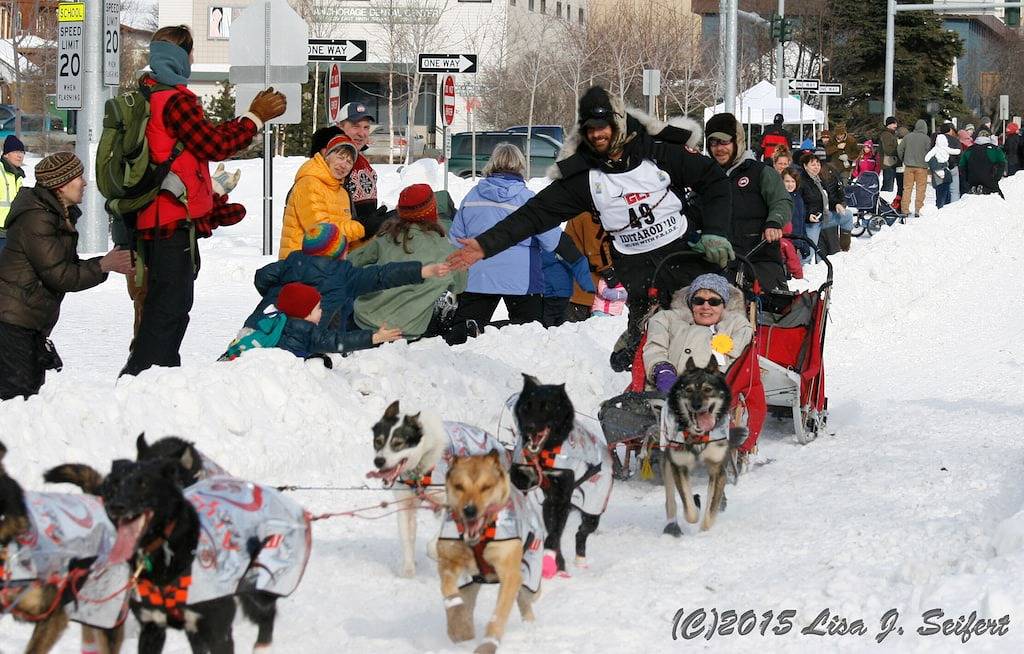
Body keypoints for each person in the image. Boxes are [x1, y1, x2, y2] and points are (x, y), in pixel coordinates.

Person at [447, 85, 732, 372]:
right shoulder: (584, 177)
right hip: (637, 266)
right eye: (590, 128)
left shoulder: (658, 153)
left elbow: (714, 180)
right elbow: (533, 215)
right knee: (654, 333)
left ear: (618, 122)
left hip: (681, 253)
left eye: (603, 126)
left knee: (708, 321)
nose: (597, 134)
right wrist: (485, 245)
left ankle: (723, 373)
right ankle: (645, 362)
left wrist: (715, 232)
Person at [120, 25, 286, 377]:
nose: (193, 59)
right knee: (170, 307)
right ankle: (149, 377)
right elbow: (214, 145)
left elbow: (196, 144)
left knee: (157, 305)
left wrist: (208, 206)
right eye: (191, 52)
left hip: (153, 217)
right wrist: (254, 119)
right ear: (181, 56)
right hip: (169, 222)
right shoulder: (176, 100)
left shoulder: (150, 93)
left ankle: (148, 375)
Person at [0, 153, 133, 399]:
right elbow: (60, 275)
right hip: (14, 321)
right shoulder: (37, 218)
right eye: (78, 177)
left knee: (26, 397)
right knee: (17, 399)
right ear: (61, 184)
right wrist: (103, 265)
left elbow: (63, 266)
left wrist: (105, 263)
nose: (84, 183)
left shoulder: (56, 214)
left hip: (28, 320)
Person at [448, 143, 592, 334]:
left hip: (479, 276)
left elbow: (455, 240)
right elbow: (552, 240)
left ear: (492, 164)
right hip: (521, 280)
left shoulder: (472, 196)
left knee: (463, 333)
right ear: (521, 165)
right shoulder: (528, 199)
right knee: (530, 331)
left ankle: (468, 334)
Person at [249, 223, 449, 351]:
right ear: (340, 252)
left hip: (257, 329)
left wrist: (279, 298)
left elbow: (261, 277)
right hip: (299, 344)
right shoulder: (343, 275)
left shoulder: (289, 264)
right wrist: (422, 271)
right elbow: (382, 275)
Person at [348, 184, 468, 342]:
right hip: (406, 333)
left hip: (363, 321)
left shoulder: (386, 237)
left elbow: (351, 262)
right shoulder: (447, 249)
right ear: (433, 211)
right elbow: (459, 286)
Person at [704, 113, 792, 291]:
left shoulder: (760, 172)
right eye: (713, 143)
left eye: (724, 142)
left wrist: (774, 222)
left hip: (759, 256)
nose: (719, 149)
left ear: (738, 141)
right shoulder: (706, 177)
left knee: (769, 301)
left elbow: (781, 200)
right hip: (717, 261)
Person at [644, 273, 753, 393]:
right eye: (699, 301)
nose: (706, 307)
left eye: (714, 302)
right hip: (665, 391)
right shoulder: (668, 319)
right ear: (691, 304)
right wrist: (663, 371)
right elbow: (655, 348)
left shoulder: (737, 326)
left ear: (724, 305)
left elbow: (737, 364)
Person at [279, 134, 364, 259]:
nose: (343, 165)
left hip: (328, 263)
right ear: (327, 156)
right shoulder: (309, 183)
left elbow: (346, 240)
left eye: (349, 162)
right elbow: (321, 234)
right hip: (300, 262)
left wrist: (372, 233)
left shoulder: (343, 193)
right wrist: (360, 228)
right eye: (340, 157)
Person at [563, 212, 613, 322]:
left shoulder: (580, 211)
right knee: (577, 329)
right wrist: (610, 272)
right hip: (583, 288)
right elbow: (596, 251)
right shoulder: (589, 214)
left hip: (578, 286)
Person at [338, 102, 380, 226]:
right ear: (339, 128)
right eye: (355, 126)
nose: (362, 133)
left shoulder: (361, 160)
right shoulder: (333, 162)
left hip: (363, 235)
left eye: (366, 127)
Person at [799, 151, 849, 255]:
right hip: (812, 222)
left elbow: (827, 198)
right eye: (813, 164)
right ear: (805, 166)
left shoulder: (819, 179)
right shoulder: (801, 182)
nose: (816, 167)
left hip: (825, 217)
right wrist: (808, 215)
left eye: (818, 164)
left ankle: (844, 248)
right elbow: (798, 204)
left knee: (848, 216)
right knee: (808, 253)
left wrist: (836, 204)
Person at [896, 119, 931, 218]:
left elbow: (899, 149)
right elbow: (929, 152)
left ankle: (905, 210)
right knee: (921, 189)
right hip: (922, 167)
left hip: (908, 167)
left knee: (907, 188)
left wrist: (903, 158)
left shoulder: (908, 137)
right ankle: (918, 209)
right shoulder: (927, 139)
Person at [960, 129, 1006, 197]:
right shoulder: (995, 149)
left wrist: (966, 179)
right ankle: (984, 190)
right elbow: (1002, 163)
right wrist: (997, 178)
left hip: (972, 179)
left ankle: (975, 189)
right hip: (989, 179)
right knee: (998, 196)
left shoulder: (969, 150)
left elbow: (962, 165)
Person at [781, 168, 812, 265]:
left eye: (793, 181)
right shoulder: (780, 198)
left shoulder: (798, 197)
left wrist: (804, 243)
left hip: (797, 242)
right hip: (786, 242)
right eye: (787, 181)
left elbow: (801, 222)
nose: (790, 184)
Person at [0, 135, 26, 253]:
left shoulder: (18, 175)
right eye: (16, 152)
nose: (20, 156)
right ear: (6, 154)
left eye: (22, 152)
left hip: (12, 229)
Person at [925, 137, 958, 209]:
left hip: (944, 178)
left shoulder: (938, 152)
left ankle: (944, 210)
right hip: (939, 179)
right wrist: (945, 165)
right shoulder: (934, 154)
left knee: (945, 196)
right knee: (942, 197)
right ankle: (941, 210)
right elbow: (935, 166)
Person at [879, 116, 899, 192]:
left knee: (889, 183)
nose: (896, 126)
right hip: (888, 162)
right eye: (894, 123)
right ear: (889, 124)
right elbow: (888, 149)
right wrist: (898, 151)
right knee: (888, 184)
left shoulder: (891, 134)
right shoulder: (886, 134)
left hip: (890, 162)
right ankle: (884, 196)